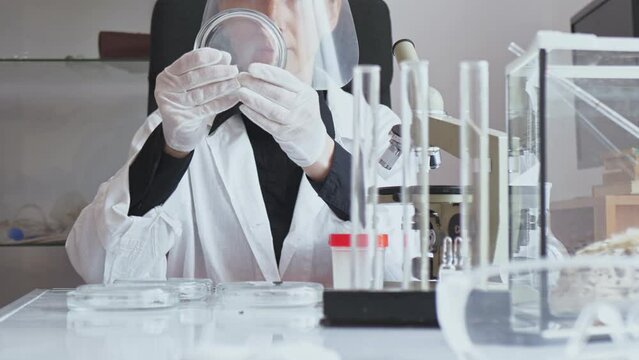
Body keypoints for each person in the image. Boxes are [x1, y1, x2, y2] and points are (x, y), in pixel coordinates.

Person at [66, 0, 402, 285]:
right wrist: (172, 153)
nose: (271, 15)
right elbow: (98, 269)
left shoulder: (378, 130)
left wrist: (326, 160)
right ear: (223, 10)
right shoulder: (174, 128)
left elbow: (405, 265)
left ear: (329, 12)